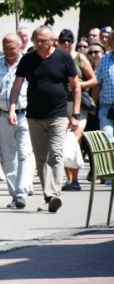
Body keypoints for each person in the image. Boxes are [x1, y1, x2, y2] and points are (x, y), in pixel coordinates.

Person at [8, 25, 80, 213]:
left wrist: (75, 115)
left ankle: (53, 194)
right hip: (34, 116)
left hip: (58, 115)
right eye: (37, 40)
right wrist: (12, 109)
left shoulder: (63, 58)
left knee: (55, 154)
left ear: (52, 41)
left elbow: (76, 86)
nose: (39, 44)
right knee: (40, 158)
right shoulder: (28, 59)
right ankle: (49, 196)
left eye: (44, 41)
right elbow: (16, 87)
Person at [0, 34, 33, 209]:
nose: (9, 51)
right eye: (6, 47)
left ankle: (21, 192)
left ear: (20, 47)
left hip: (25, 115)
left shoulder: (28, 64)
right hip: (1, 115)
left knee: (24, 153)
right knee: (8, 158)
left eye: (13, 47)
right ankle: (15, 195)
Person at [56, 29, 96, 191]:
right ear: (58, 42)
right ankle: (69, 179)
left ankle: (76, 179)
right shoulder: (56, 58)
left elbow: (93, 80)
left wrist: (78, 85)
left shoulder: (80, 58)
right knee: (63, 141)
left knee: (75, 139)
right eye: (63, 40)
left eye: (69, 41)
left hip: (78, 105)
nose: (66, 44)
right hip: (61, 104)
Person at [95, 40, 114, 142]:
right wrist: (92, 103)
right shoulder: (105, 59)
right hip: (107, 108)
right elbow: (98, 83)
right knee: (107, 142)